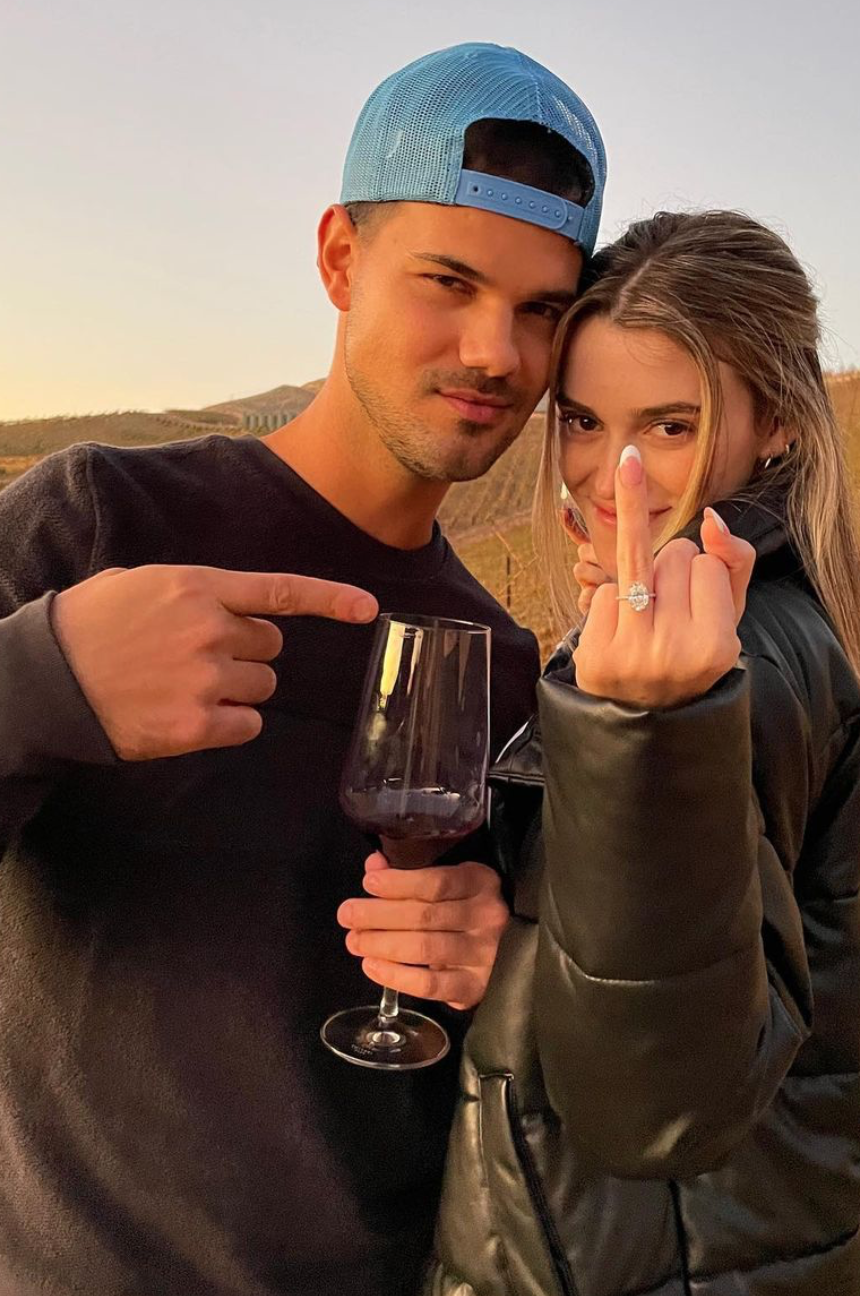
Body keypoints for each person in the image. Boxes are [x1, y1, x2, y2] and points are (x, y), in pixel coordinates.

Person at [0, 44, 605, 1296]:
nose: (496, 351)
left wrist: (503, 969)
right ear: (339, 259)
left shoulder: (500, 662)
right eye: (449, 281)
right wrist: (42, 685)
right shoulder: (100, 521)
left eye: (542, 311)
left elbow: (530, 1062)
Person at [419, 211, 860, 1295]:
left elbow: (657, 1104)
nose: (613, 474)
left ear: (775, 423)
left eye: (671, 426)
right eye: (583, 421)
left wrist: (644, 731)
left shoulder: (732, 658)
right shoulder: (752, 617)